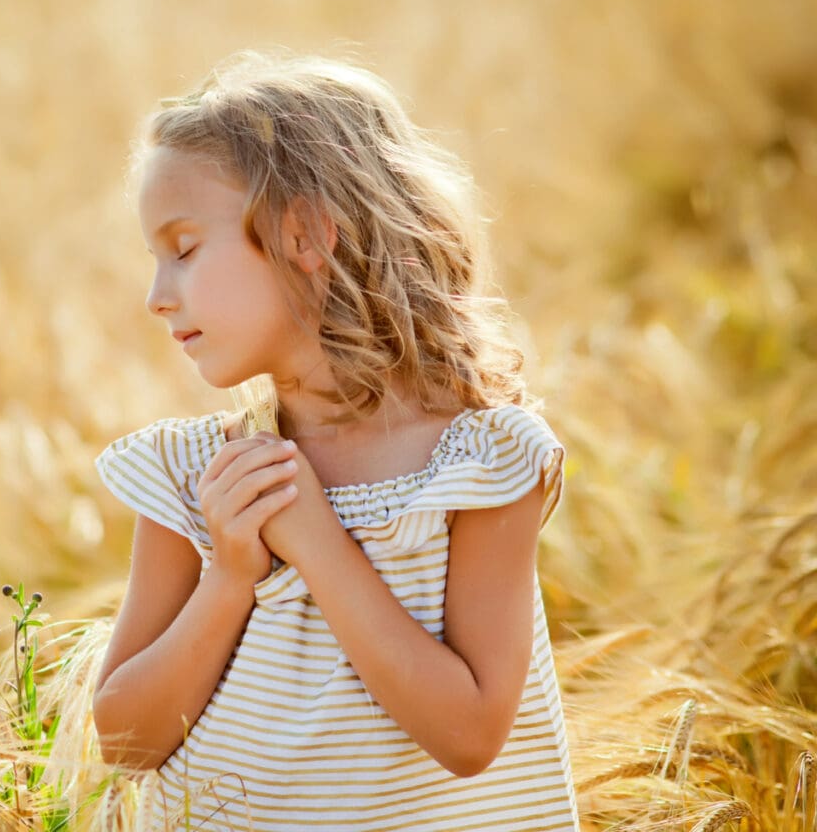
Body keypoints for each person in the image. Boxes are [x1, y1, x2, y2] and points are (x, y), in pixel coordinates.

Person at [92, 49, 579, 832]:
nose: (156, 296)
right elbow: (122, 742)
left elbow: (470, 734)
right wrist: (229, 576)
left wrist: (316, 542)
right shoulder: (197, 477)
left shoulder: (481, 464)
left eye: (182, 250)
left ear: (306, 233)